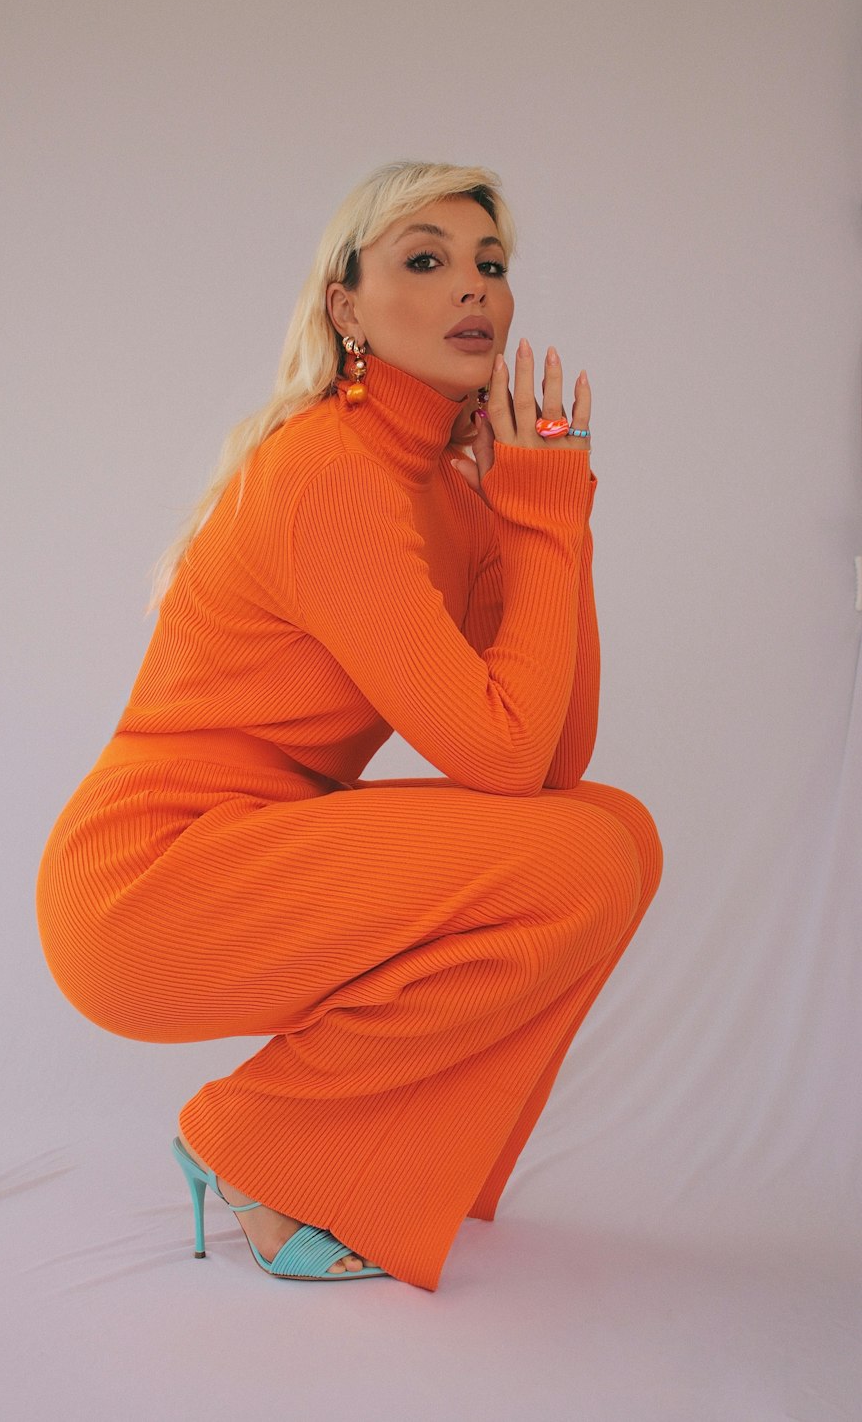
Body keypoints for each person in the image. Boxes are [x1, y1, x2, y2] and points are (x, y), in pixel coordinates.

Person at [35, 160, 664, 1290]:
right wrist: (536, 514)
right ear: (346, 307)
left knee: (617, 830)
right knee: (577, 854)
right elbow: (512, 762)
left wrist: (544, 513)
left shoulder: (446, 490)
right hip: (142, 885)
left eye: (490, 265)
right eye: (424, 260)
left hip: (253, 851)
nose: (471, 287)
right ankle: (258, 1146)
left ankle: (349, 1169)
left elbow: (556, 753)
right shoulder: (329, 471)